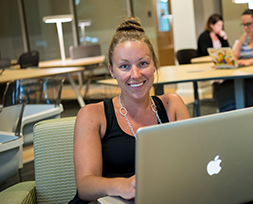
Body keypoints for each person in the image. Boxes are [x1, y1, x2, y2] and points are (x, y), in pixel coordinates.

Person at [69, 17, 190, 203]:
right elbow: (85, 186)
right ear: (112, 70)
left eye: (143, 63)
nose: (135, 75)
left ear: (155, 63)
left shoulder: (172, 105)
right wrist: (122, 186)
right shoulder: (92, 115)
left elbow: (190, 164)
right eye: (124, 66)